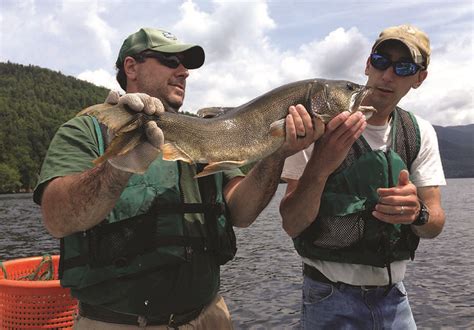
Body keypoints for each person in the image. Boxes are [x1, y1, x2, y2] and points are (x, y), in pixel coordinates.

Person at [33, 27, 318, 328]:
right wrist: (118, 166)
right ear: (131, 67)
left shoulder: (207, 135)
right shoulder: (85, 130)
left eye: (186, 65)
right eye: (171, 61)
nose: (184, 72)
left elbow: (242, 212)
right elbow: (57, 218)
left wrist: (276, 153)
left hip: (208, 316)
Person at [280, 24, 446, 329]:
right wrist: (321, 163)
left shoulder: (420, 132)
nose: (388, 75)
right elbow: (291, 222)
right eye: (382, 61)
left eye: (404, 67)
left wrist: (417, 212)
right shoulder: (314, 125)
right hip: (327, 296)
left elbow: (435, 221)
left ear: (419, 78)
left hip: (396, 298)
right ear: (368, 64)